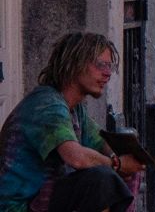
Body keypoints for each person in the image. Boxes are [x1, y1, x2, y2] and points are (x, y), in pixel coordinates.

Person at [0, 32, 140, 212]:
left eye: (109, 66)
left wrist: (124, 160)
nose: (107, 74)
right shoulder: (46, 104)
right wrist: (117, 164)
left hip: (43, 200)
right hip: (17, 206)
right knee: (102, 179)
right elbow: (76, 158)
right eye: (100, 65)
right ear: (74, 65)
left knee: (120, 173)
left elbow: (101, 143)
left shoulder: (75, 109)